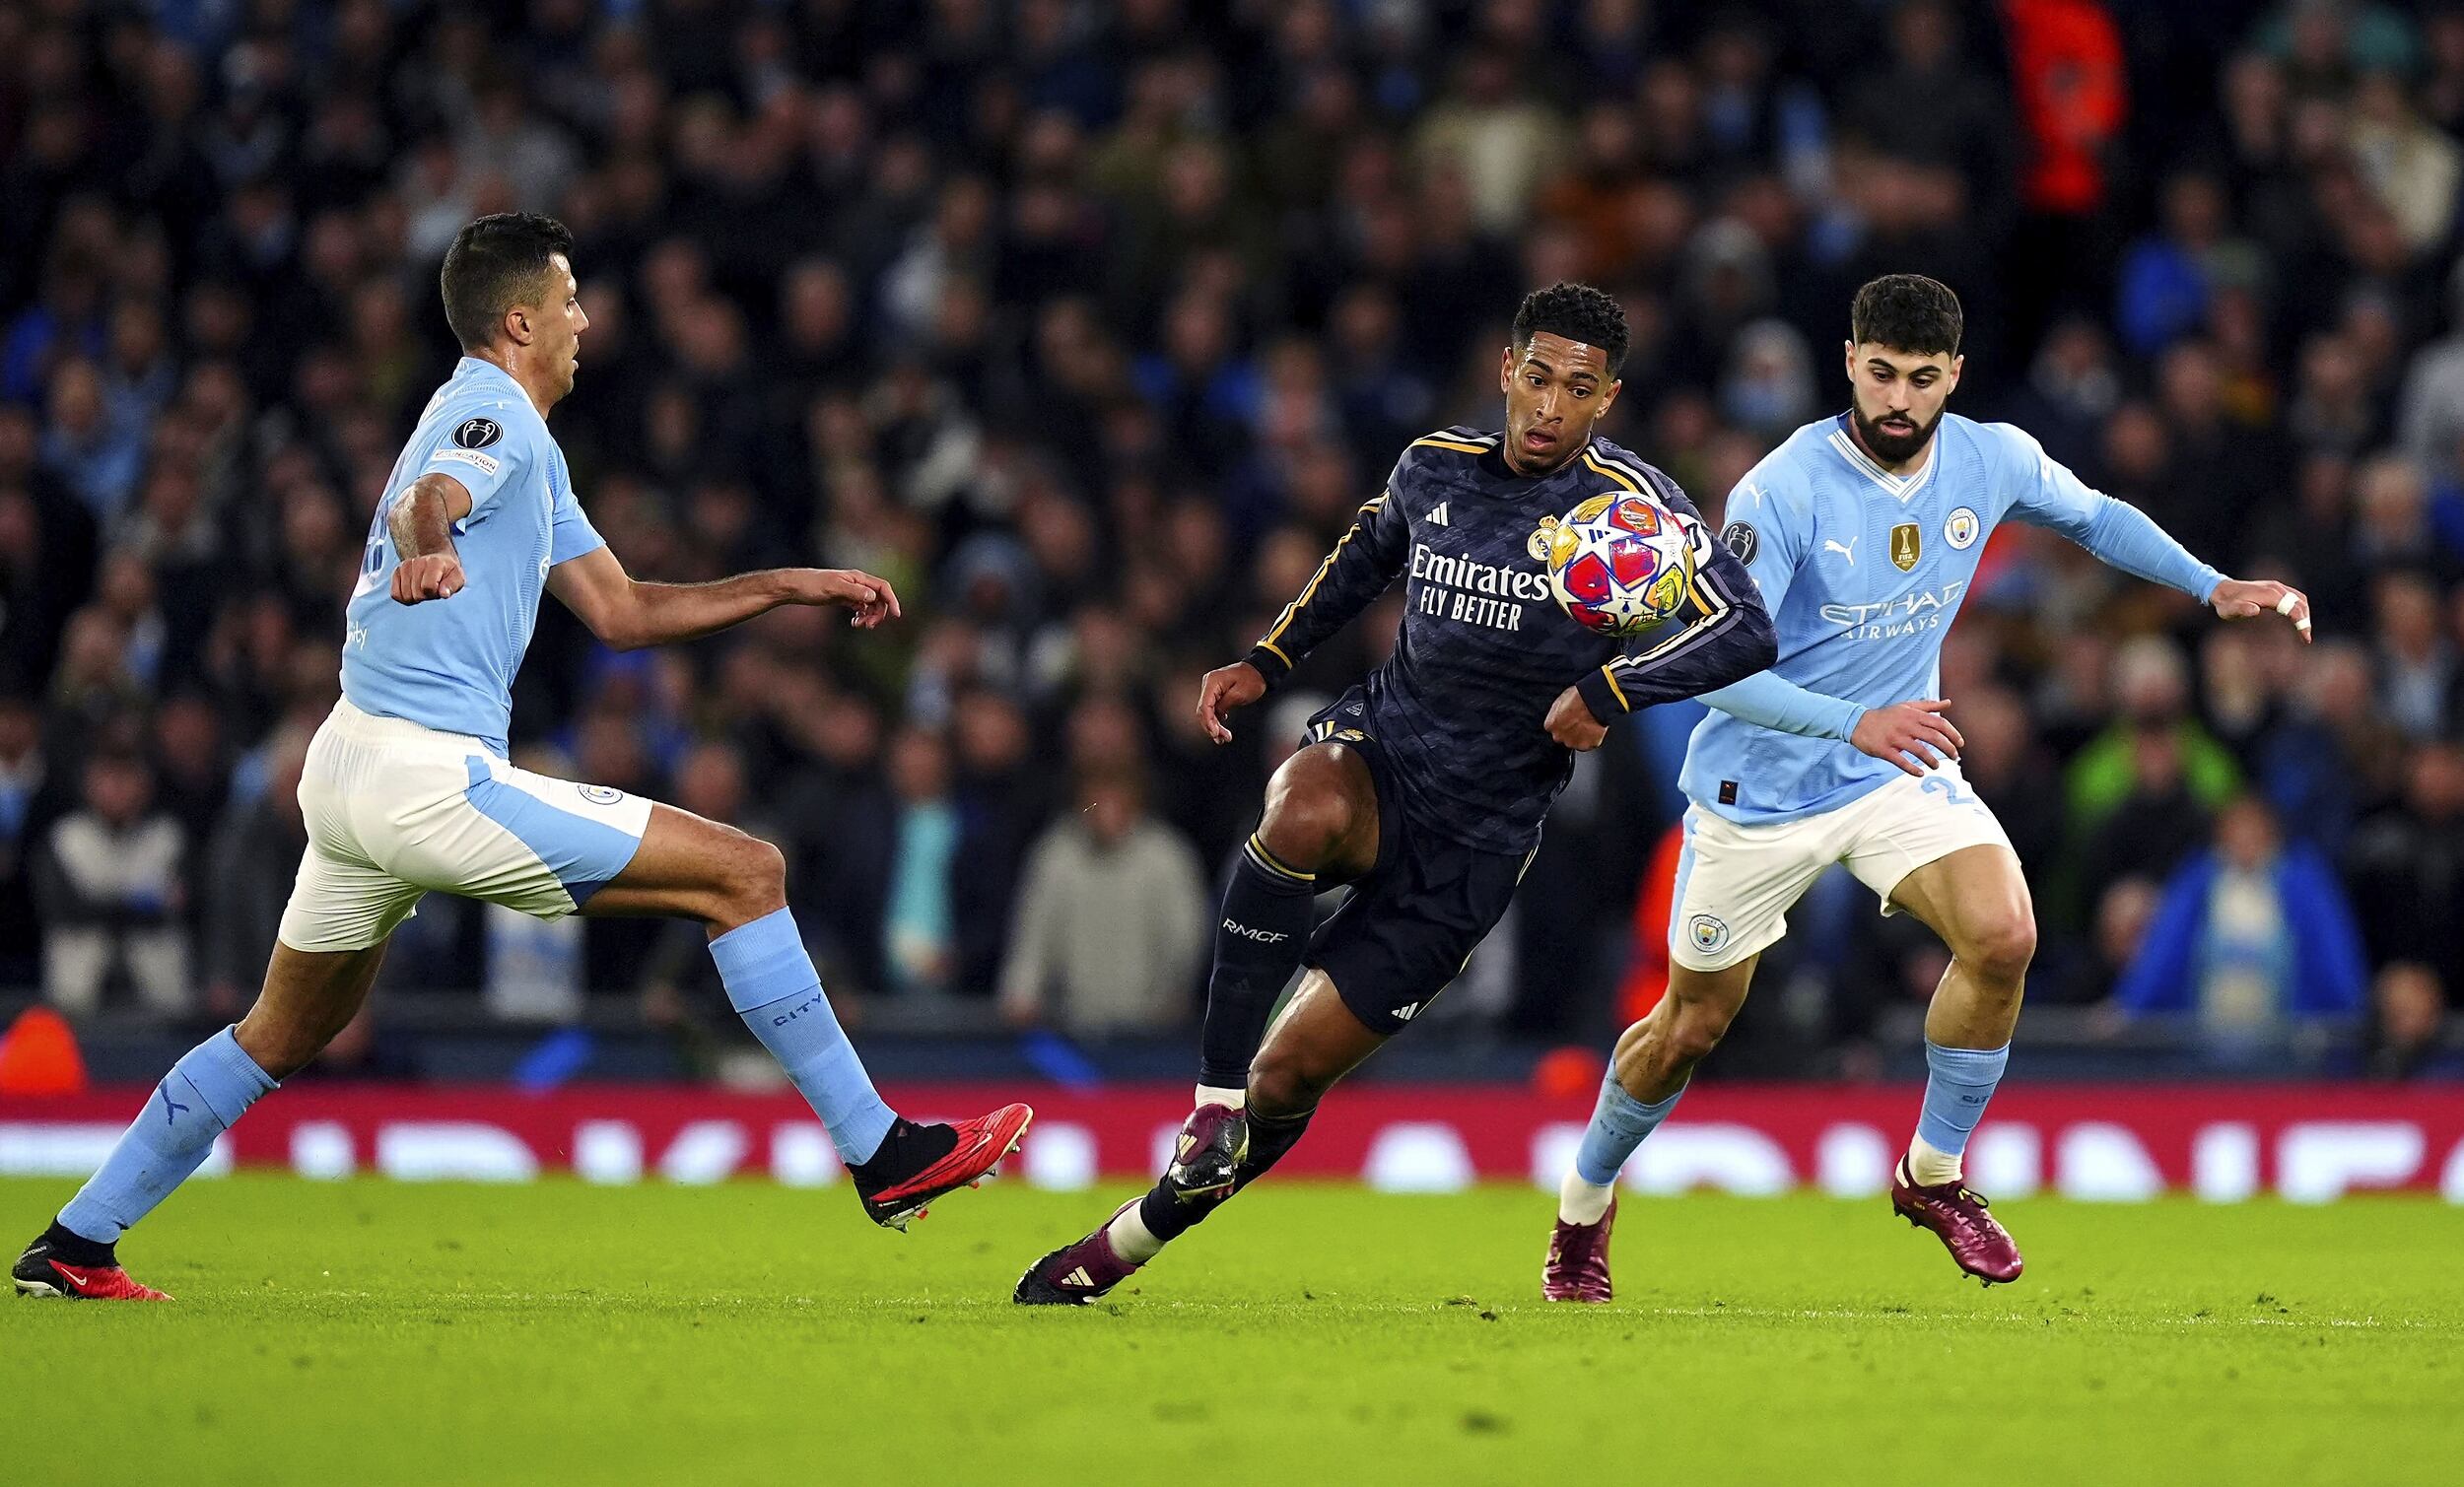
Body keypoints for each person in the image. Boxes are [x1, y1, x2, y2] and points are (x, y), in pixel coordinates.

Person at [15, 214, 1030, 1303]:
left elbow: (625, 610)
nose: (585, 320)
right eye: (569, 300)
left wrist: (790, 584)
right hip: (428, 778)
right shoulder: (489, 410)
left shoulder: (521, 445)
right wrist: (430, 554)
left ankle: (75, 1245)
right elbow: (429, 500)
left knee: (277, 1032)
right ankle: (883, 1153)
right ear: (519, 321)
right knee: (748, 872)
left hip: (351, 767)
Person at [1542, 274, 2312, 1300]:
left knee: (2003, 937)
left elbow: (2093, 518)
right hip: (1759, 789)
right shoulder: (1782, 489)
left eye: (1919, 378)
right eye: (1879, 373)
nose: (1897, 399)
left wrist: (2210, 585)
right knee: (1688, 1026)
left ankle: (1932, 1173)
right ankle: (1584, 1206)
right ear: (1849, 363)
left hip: (1893, 767)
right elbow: (1722, 663)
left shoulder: (1989, 457)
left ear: (1953, 374)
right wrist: (1853, 718)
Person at [1012, 283, 1778, 1305]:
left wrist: (1612, 684)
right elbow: (1360, 559)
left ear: (1609, 400)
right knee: (1300, 807)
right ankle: (1206, 1100)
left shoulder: (1635, 513)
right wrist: (1267, 661)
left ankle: (1125, 1244)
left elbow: (1745, 630)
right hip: (1383, 756)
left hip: (1476, 843)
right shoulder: (1432, 469)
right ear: (1507, 371)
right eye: (1538, 379)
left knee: (1286, 1084)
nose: (1551, 406)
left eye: (1578, 390)